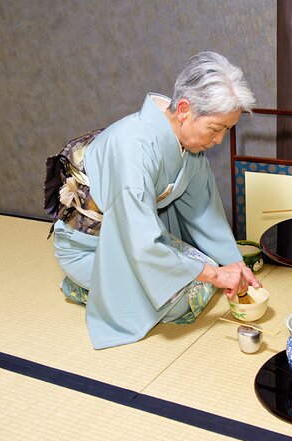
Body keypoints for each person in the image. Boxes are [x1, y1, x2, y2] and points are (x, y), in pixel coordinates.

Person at [51, 51, 261, 349]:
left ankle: (108, 287)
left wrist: (236, 266)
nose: (218, 141)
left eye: (226, 130)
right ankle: (88, 287)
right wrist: (215, 275)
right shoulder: (132, 149)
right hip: (91, 248)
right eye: (216, 129)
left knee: (203, 273)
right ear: (185, 109)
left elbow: (204, 212)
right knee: (181, 300)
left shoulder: (189, 146)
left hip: (131, 238)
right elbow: (142, 242)